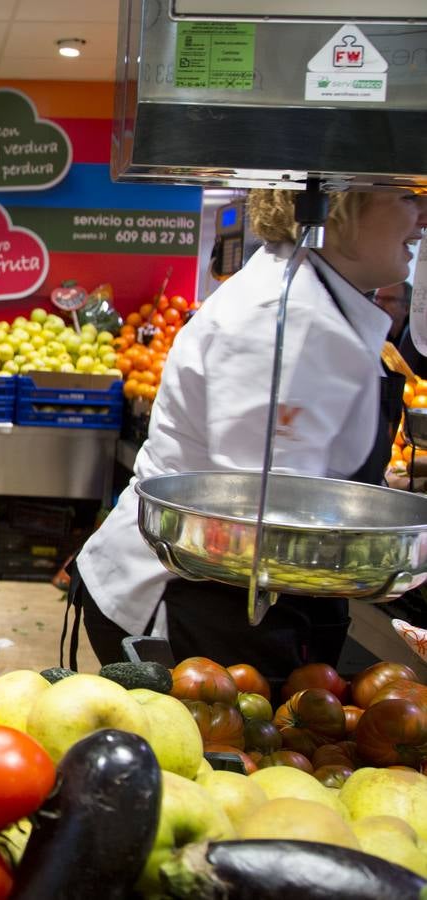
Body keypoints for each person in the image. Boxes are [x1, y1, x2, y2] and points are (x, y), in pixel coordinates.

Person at [68, 187, 427, 679]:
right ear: (340, 203)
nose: (423, 217)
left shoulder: (316, 299)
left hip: (241, 596)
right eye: (407, 195)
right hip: (196, 603)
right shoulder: (284, 321)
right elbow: (261, 519)